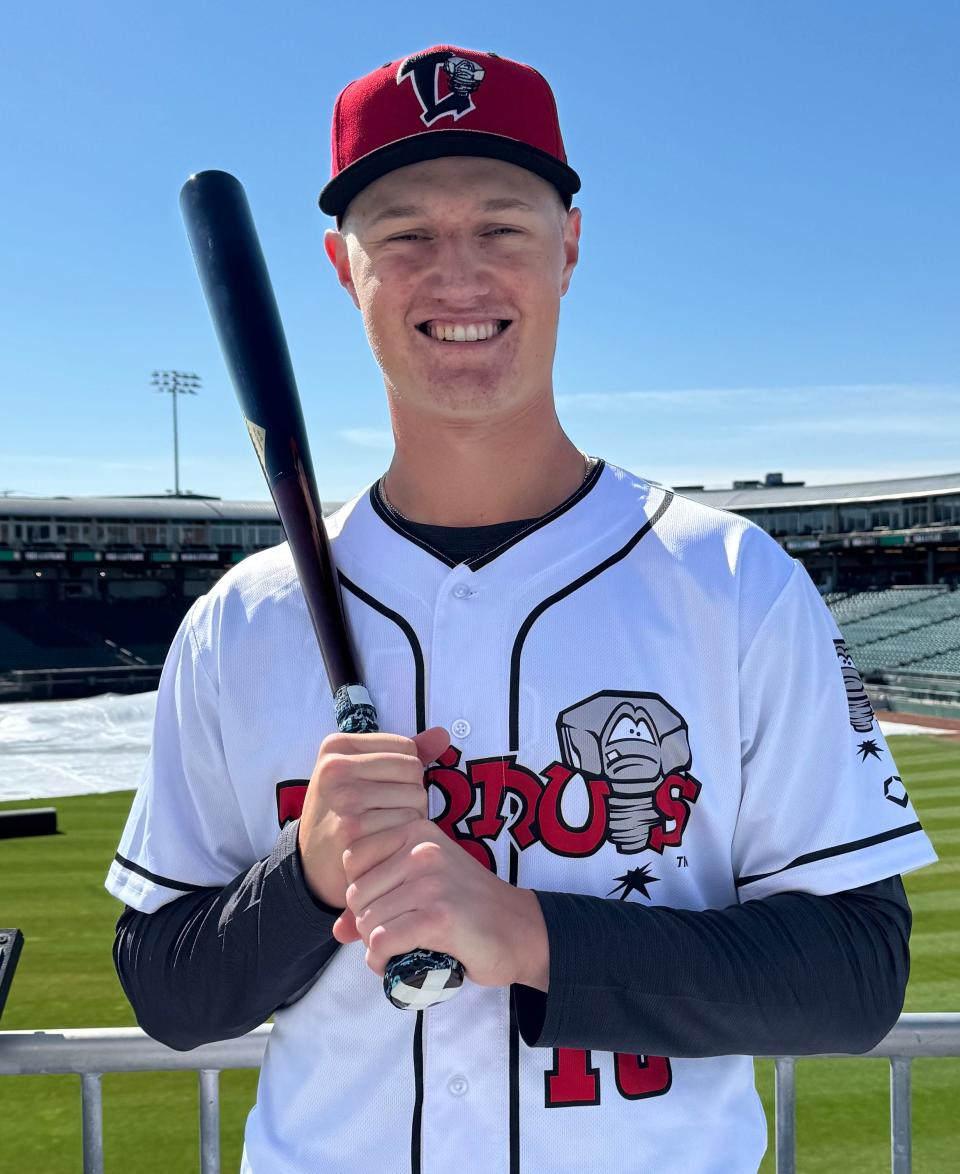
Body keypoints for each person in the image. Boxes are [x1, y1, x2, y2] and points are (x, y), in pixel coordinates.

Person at [106, 46, 937, 1173]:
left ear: (570, 247)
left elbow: (853, 974)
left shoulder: (733, 583)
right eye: (404, 234)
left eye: (501, 225)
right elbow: (165, 986)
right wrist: (302, 880)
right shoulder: (240, 623)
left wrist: (527, 933)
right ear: (343, 267)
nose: (458, 276)